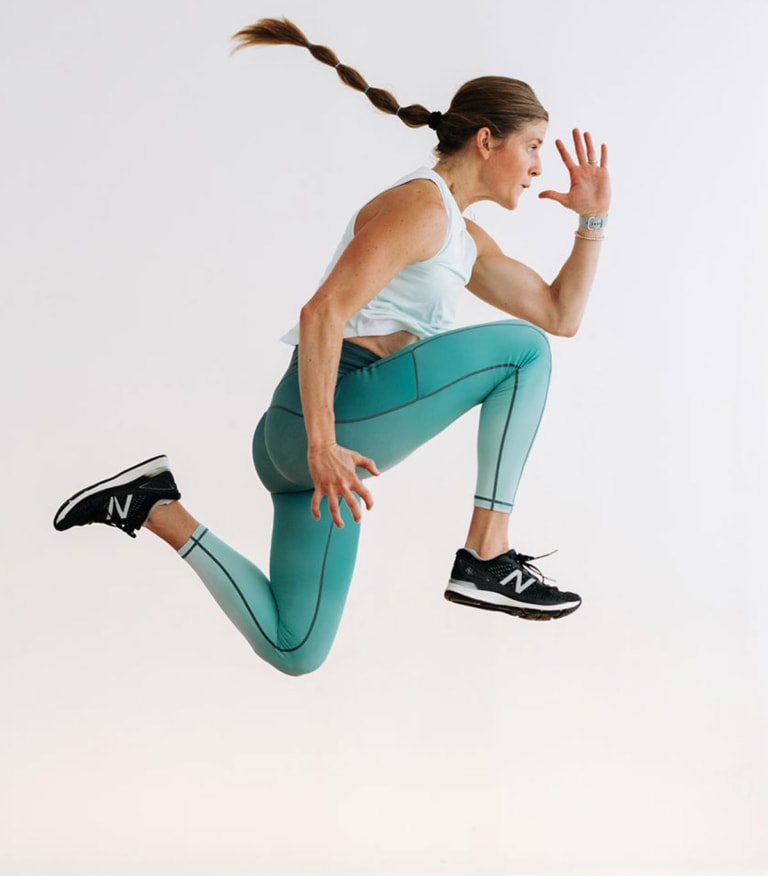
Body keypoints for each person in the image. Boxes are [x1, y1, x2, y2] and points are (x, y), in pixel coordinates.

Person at [53, 17, 611, 676]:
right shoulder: (423, 207)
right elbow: (323, 313)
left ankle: (153, 505)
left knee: (296, 645)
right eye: (533, 146)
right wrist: (322, 443)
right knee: (522, 353)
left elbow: (558, 314)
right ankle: (486, 554)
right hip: (327, 418)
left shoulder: (463, 238)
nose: (539, 166)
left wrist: (592, 220)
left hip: (303, 445)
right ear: (488, 141)